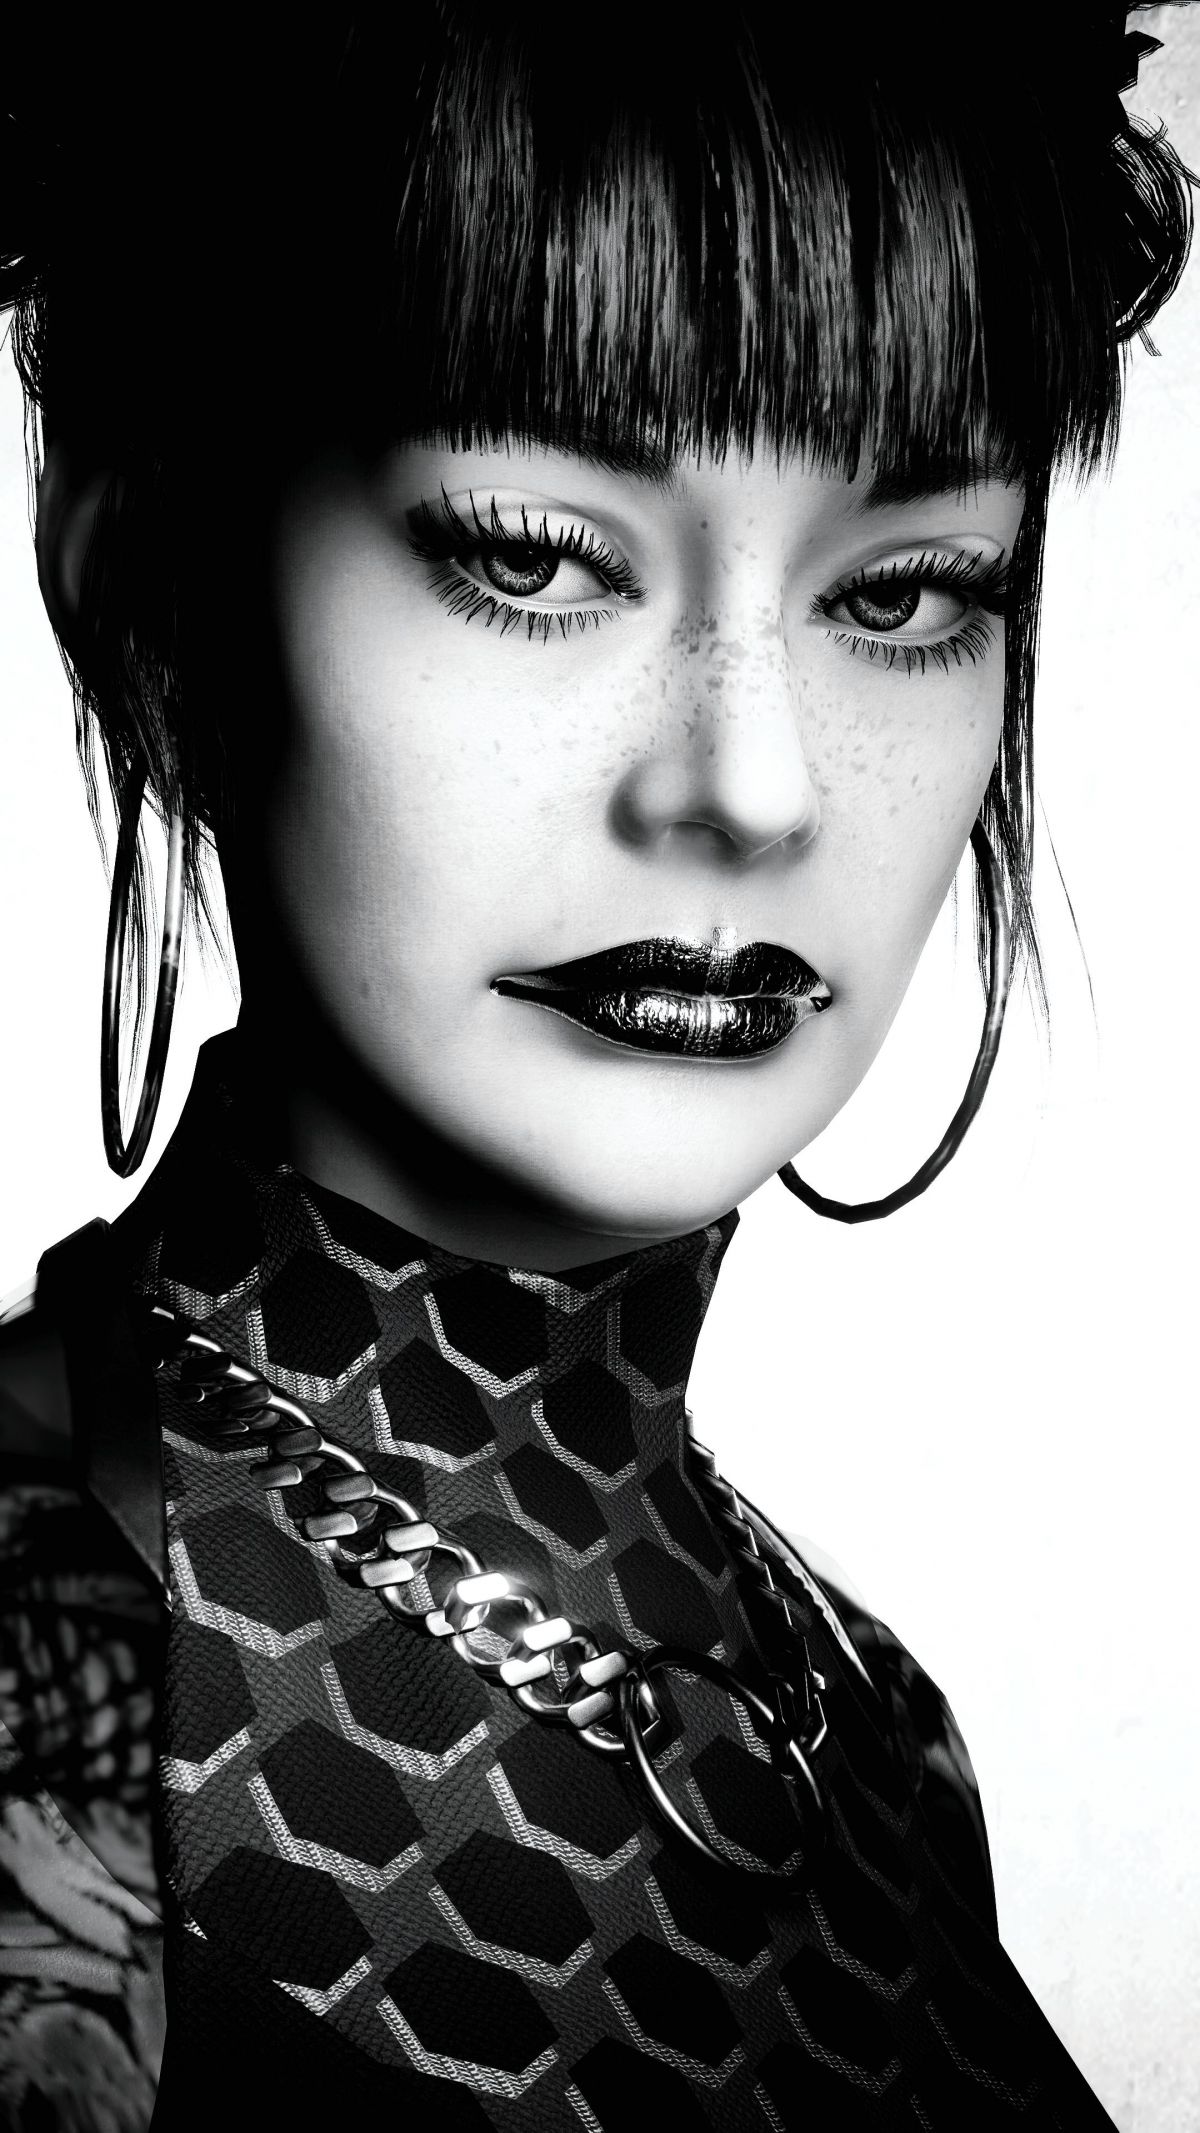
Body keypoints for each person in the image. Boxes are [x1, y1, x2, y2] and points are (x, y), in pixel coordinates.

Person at [0, 11, 1192, 2127]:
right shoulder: (40, 1663)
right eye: (535, 557)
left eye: (908, 591)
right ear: (149, 571)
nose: (754, 784)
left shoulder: (869, 1729)